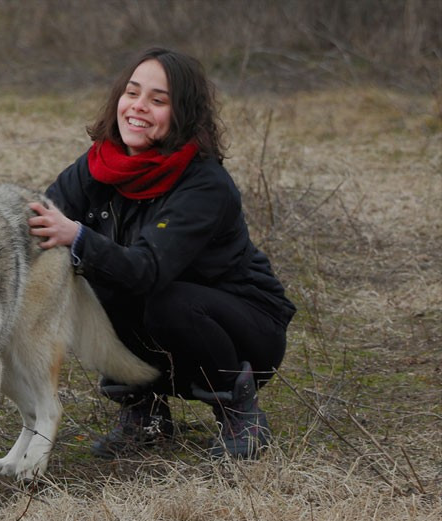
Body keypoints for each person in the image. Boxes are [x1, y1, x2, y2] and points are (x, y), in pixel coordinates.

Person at [28, 47, 296, 459]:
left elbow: (147, 269)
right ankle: (145, 415)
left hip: (245, 329)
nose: (138, 107)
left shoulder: (206, 184)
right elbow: (42, 217)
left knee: (165, 299)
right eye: (132, 93)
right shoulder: (99, 165)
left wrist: (78, 236)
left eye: (158, 100)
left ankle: (240, 415)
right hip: (164, 320)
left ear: (183, 113)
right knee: (93, 289)